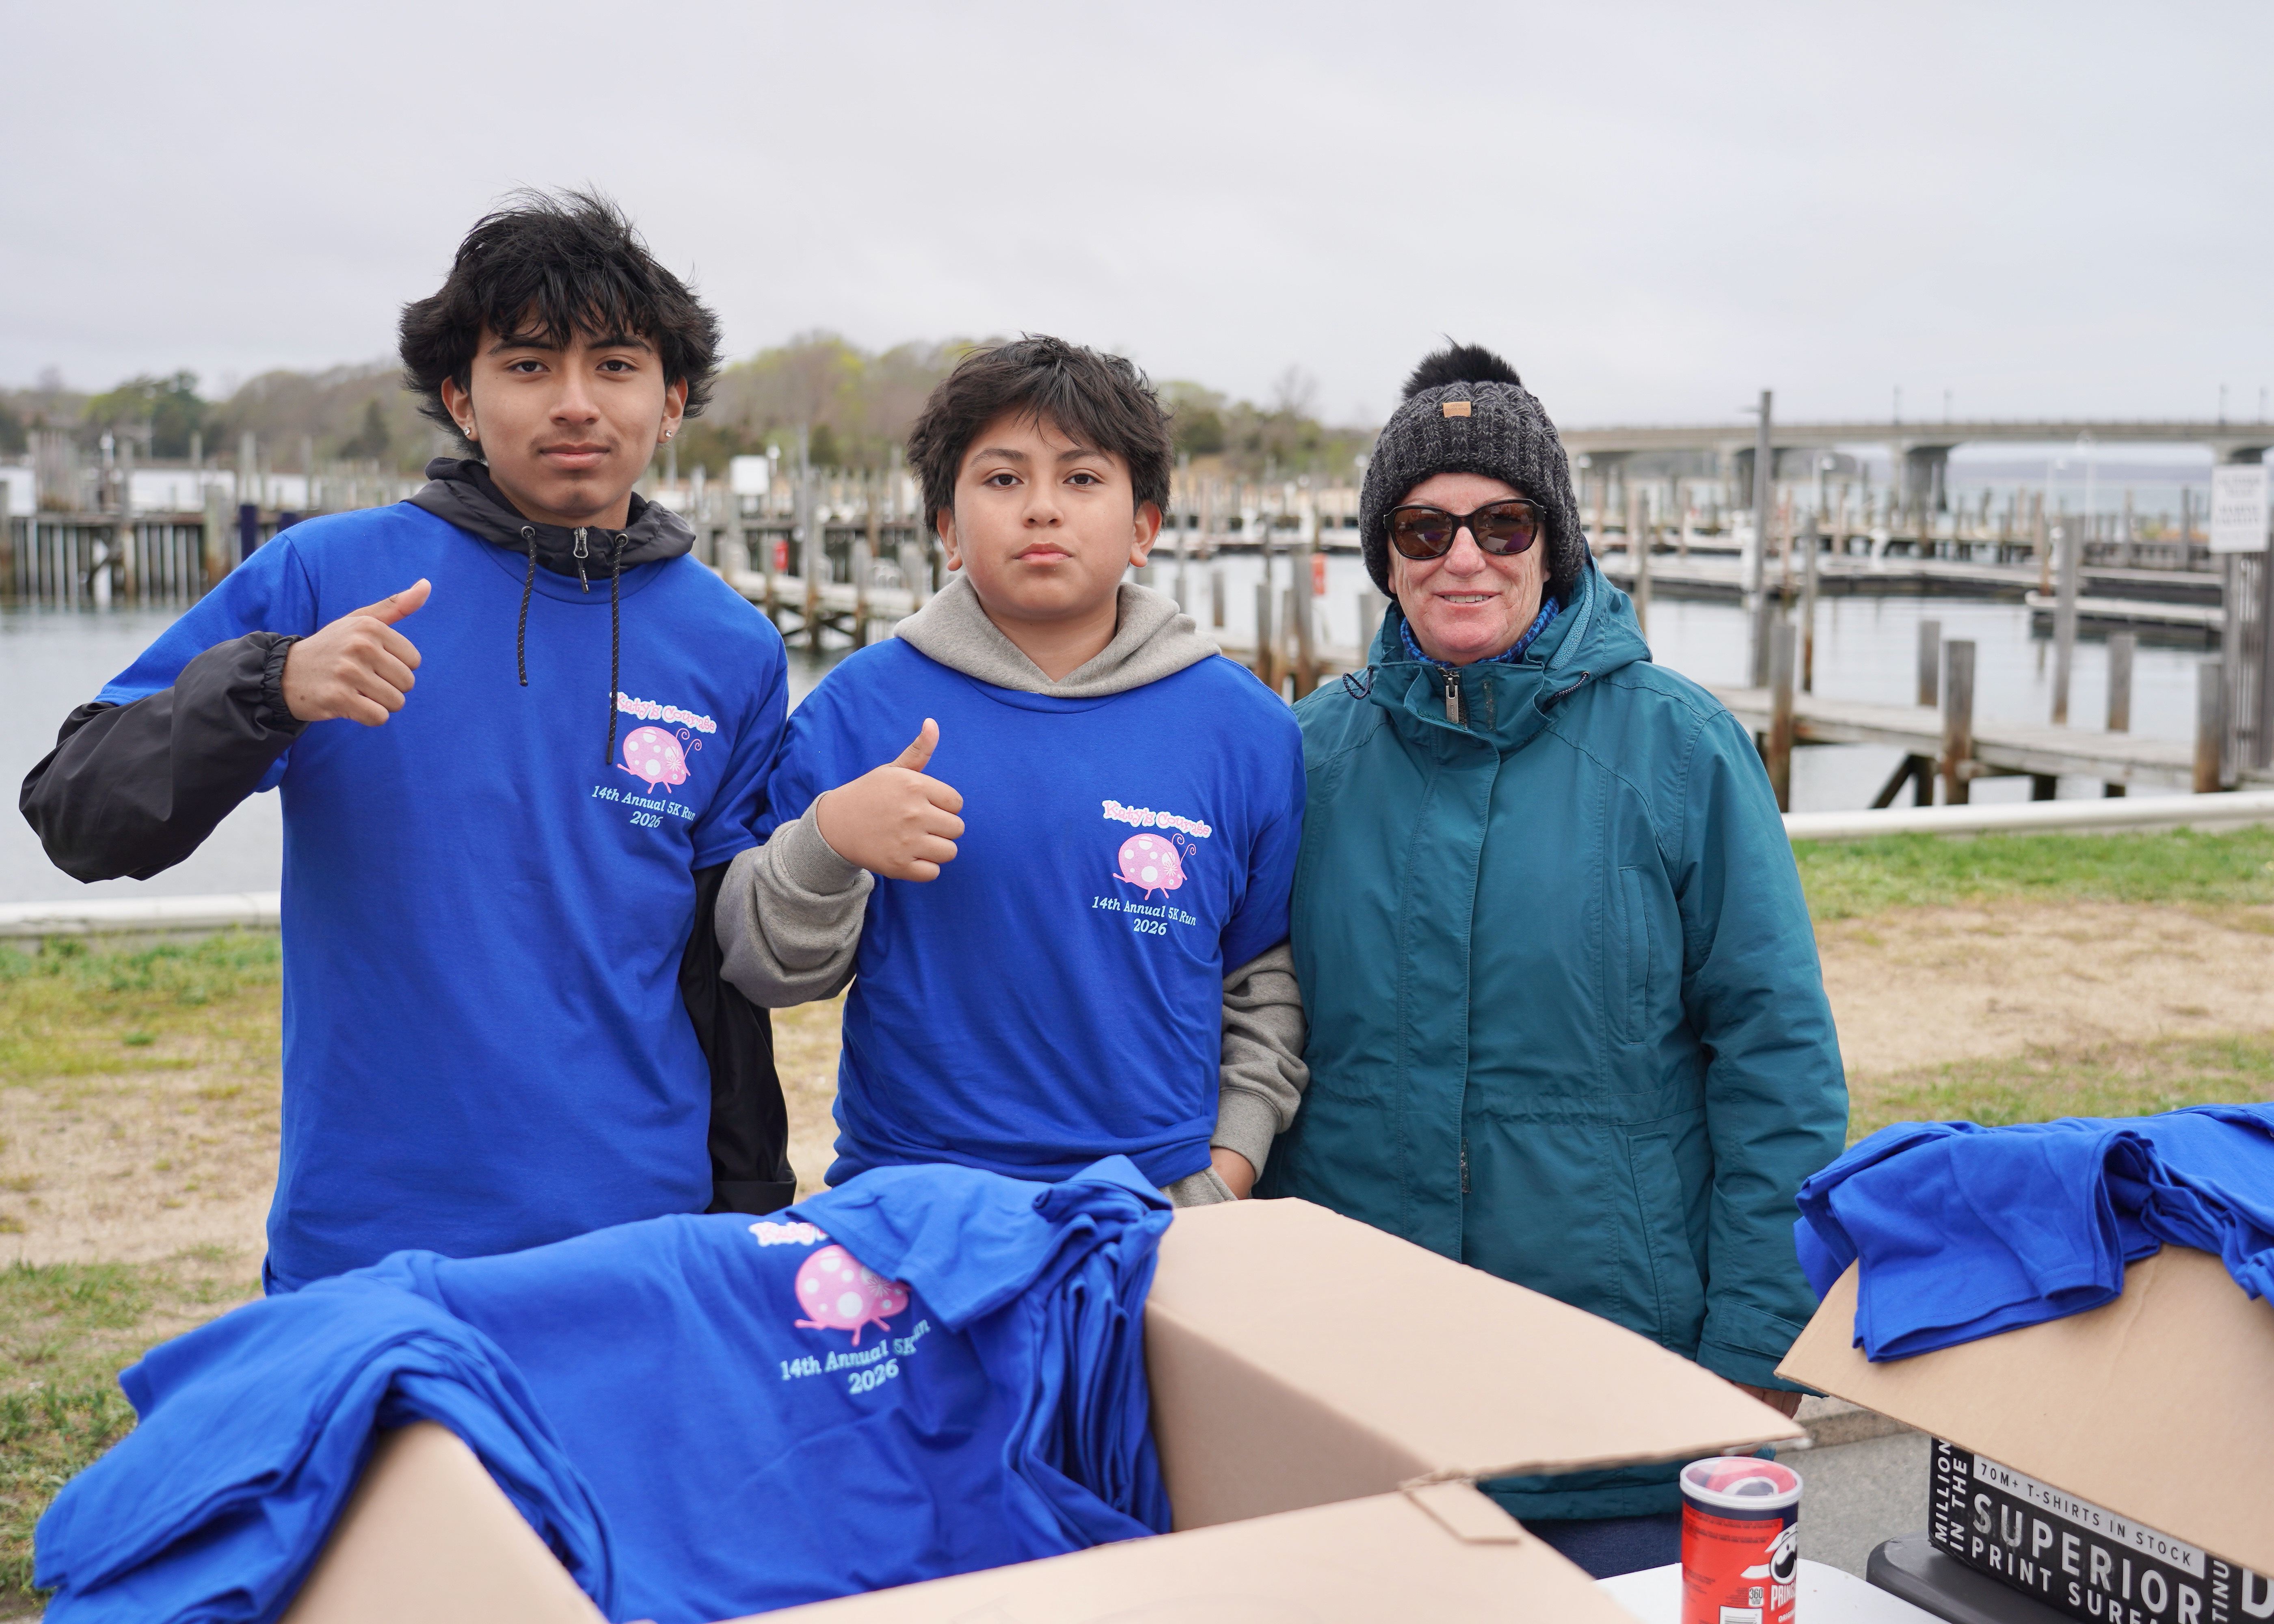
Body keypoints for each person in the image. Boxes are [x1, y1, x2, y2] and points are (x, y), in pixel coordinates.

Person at [19, 190, 796, 1293]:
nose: (576, 403)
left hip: (643, 1241)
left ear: (671, 402)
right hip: (371, 1244)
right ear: (461, 399)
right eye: (528, 365)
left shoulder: (733, 645)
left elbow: (717, 972)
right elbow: (79, 815)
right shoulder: (325, 576)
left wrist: (751, 1213)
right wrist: (270, 685)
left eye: (616, 366)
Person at [1257, 343, 1847, 1575]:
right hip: (1356, 1396)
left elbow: (1776, 1060)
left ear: (1554, 543)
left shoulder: (1681, 750)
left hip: (1622, 1402)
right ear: (1385, 555)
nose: (1463, 557)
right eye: (1423, 529)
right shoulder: (1303, 759)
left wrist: (1757, 1351)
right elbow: (1241, 1029)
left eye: (1503, 522)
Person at [714, 337, 1308, 1205]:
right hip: (912, 1201)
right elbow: (765, 968)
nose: (1042, 509)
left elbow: (1264, 979)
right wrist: (829, 842)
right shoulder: (861, 708)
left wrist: (1226, 1169)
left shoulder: (1246, 729)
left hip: (1161, 1206)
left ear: (1144, 528)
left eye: (1082, 477)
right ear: (948, 530)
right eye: (1002, 478)